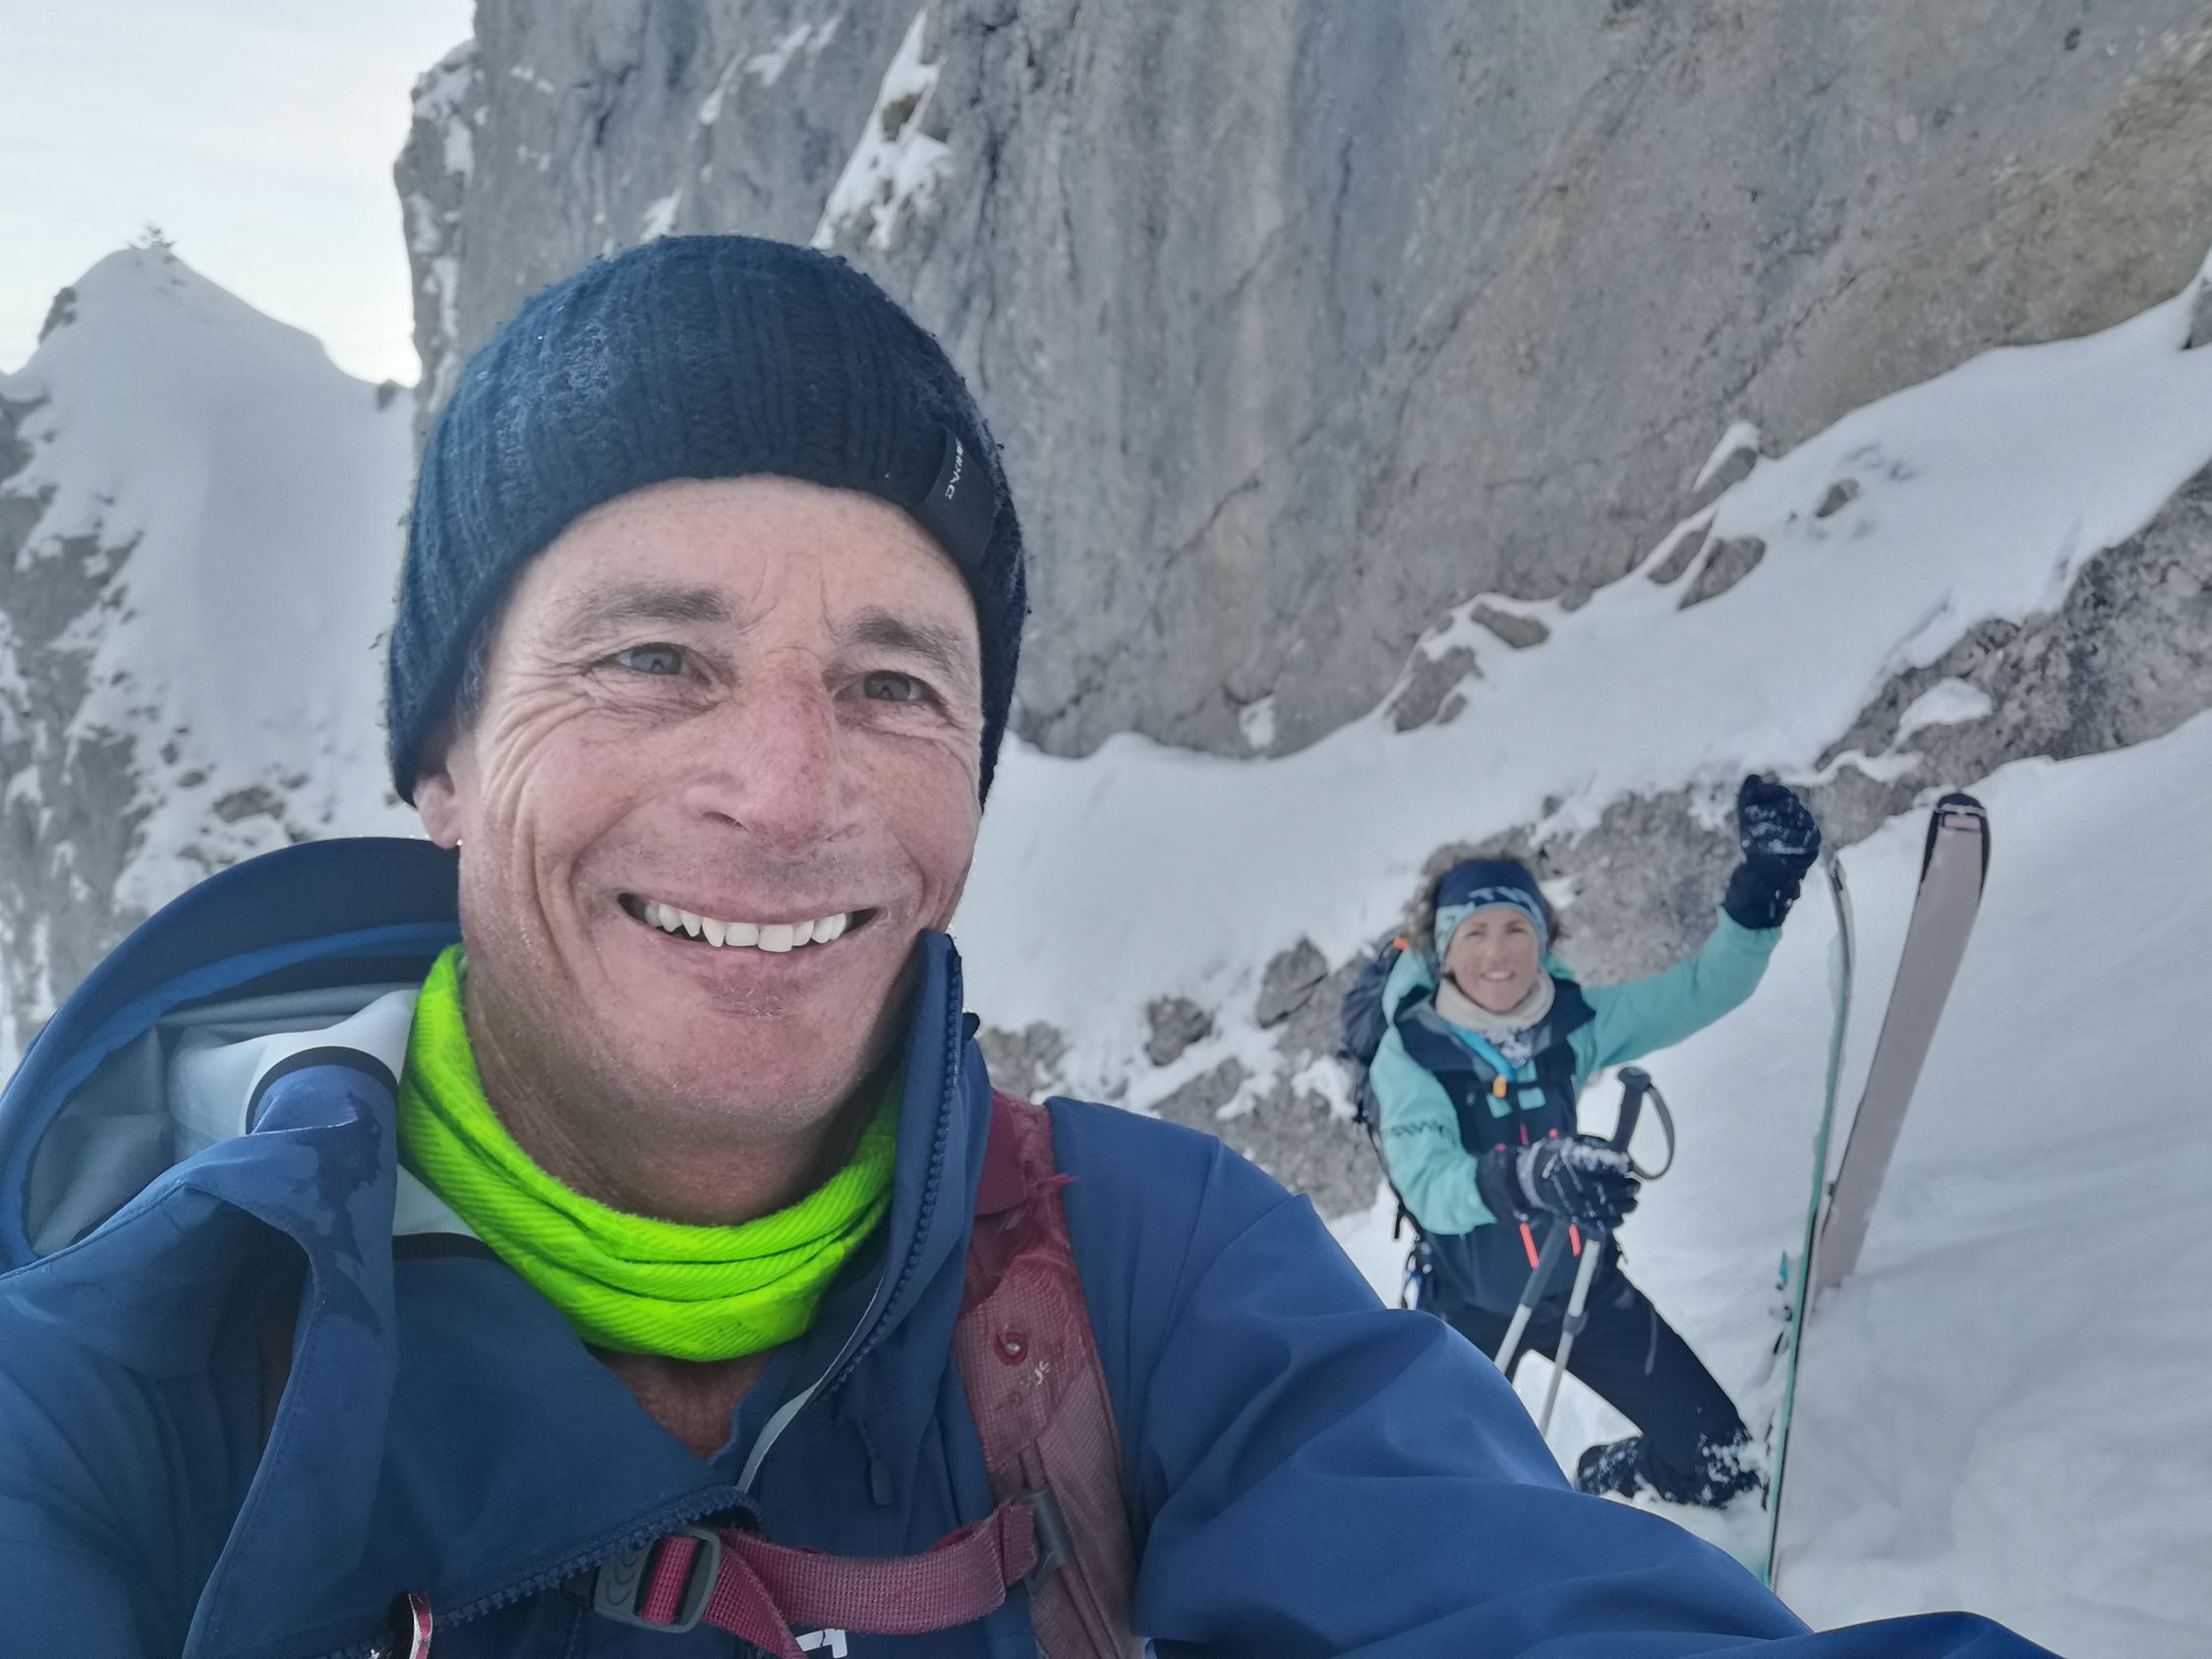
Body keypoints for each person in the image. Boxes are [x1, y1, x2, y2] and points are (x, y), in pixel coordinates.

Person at [0, 235, 2058, 1657]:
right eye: (652, 658)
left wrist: (1756, 911)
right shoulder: (127, 1380)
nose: (785, 789)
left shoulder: (1145, 1273)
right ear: (442, 758)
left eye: (895, 684)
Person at [1367, 787, 1819, 1510]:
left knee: (1723, 1466)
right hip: (1467, 1306)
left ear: (1542, 939)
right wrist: (1529, 1175)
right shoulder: (1411, 1051)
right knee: (1431, 1494)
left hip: (1584, 1284)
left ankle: (1612, 1472)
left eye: (1516, 927)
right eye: (1474, 932)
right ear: (1444, 950)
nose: (1497, 952)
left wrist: (1765, 885)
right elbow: (1430, 1186)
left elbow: (1702, 989)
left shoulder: (1572, 1023)